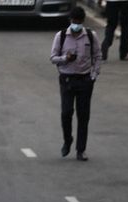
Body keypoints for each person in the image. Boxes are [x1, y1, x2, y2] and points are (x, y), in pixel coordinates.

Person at [50, 7, 102, 162]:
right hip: (66, 79)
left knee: (83, 115)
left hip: (85, 80)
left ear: (82, 22)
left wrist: (94, 75)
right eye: (74, 22)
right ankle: (67, 140)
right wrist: (65, 58)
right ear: (70, 21)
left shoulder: (91, 37)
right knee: (66, 113)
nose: (76, 25)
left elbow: (98, 56)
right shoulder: (61, 36)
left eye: (79, 22)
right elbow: (53, 58)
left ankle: (81, 149)